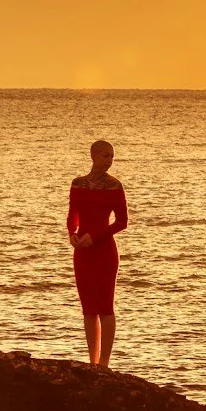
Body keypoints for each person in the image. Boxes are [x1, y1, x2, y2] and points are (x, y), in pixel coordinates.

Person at [65, 139, 128, 368]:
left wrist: (96, 236)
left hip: (104, 251)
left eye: (112, 156)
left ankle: (104, 362)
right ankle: (92, 361)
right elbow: (72, 215)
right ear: (93, 156)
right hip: (82, 251)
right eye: (105, 156)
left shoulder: (114, 186)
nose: (109, 161)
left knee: (105, 306)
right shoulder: (78, 183)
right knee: (88, 309)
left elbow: (122, 222)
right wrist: (72, 234)